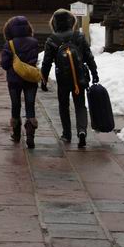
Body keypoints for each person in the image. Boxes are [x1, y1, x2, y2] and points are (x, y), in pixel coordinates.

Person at [40, 8, 99, 148]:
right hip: (79, 76)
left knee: (64, 105)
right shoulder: (78, 36)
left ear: (54, 23)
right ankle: (82, 131)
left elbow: (46, 62)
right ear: (71, 21)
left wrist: (44, 80)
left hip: (63, 78)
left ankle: (67, 134)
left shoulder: (52, 40)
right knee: (80, 105)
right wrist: (94, 73)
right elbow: (89, 57)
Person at [0, 15, 40, 148]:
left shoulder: (9, 44)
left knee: (15, 105)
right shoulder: (34, 42)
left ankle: (16, 135)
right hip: (30, 79)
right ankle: (30, 136)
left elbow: (4, 64)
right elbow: (34, 60)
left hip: (14, 80)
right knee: (30, 105)